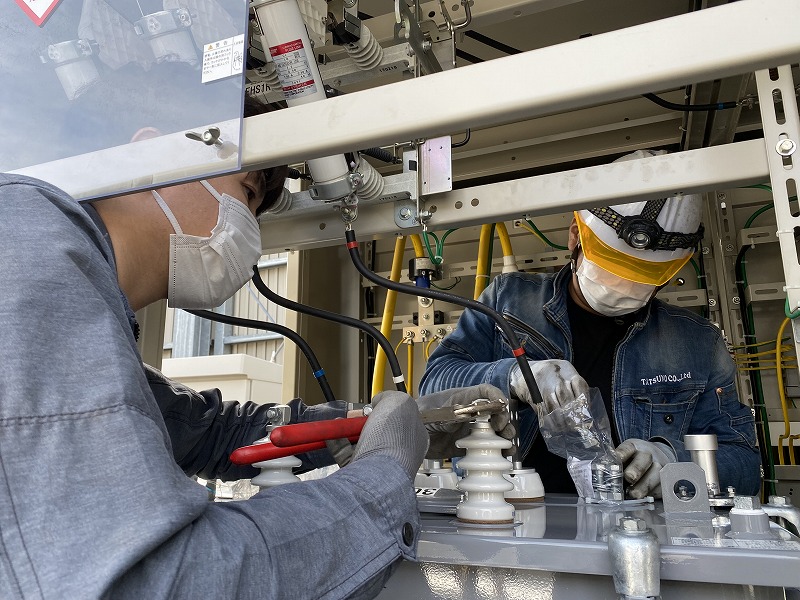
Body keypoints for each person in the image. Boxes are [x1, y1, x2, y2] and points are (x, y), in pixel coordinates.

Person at [0, 112, 430, 596]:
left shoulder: (64, 282)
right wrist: (385, 476)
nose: (250, 228)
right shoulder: (25, 239)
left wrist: (345, 425)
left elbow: (203, 431)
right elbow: (162, 582)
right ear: (154, 155)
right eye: (247, 192)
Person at [419, 150, 761, 500]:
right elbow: (432, 391)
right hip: (505, 520)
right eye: (611, 263)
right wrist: (513, 376)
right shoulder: (508, 302)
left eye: (646, 274)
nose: (624, 284)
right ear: (575, 236)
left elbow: (745, 463)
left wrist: (676, 463)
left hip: (635, 533)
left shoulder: (696, 342)